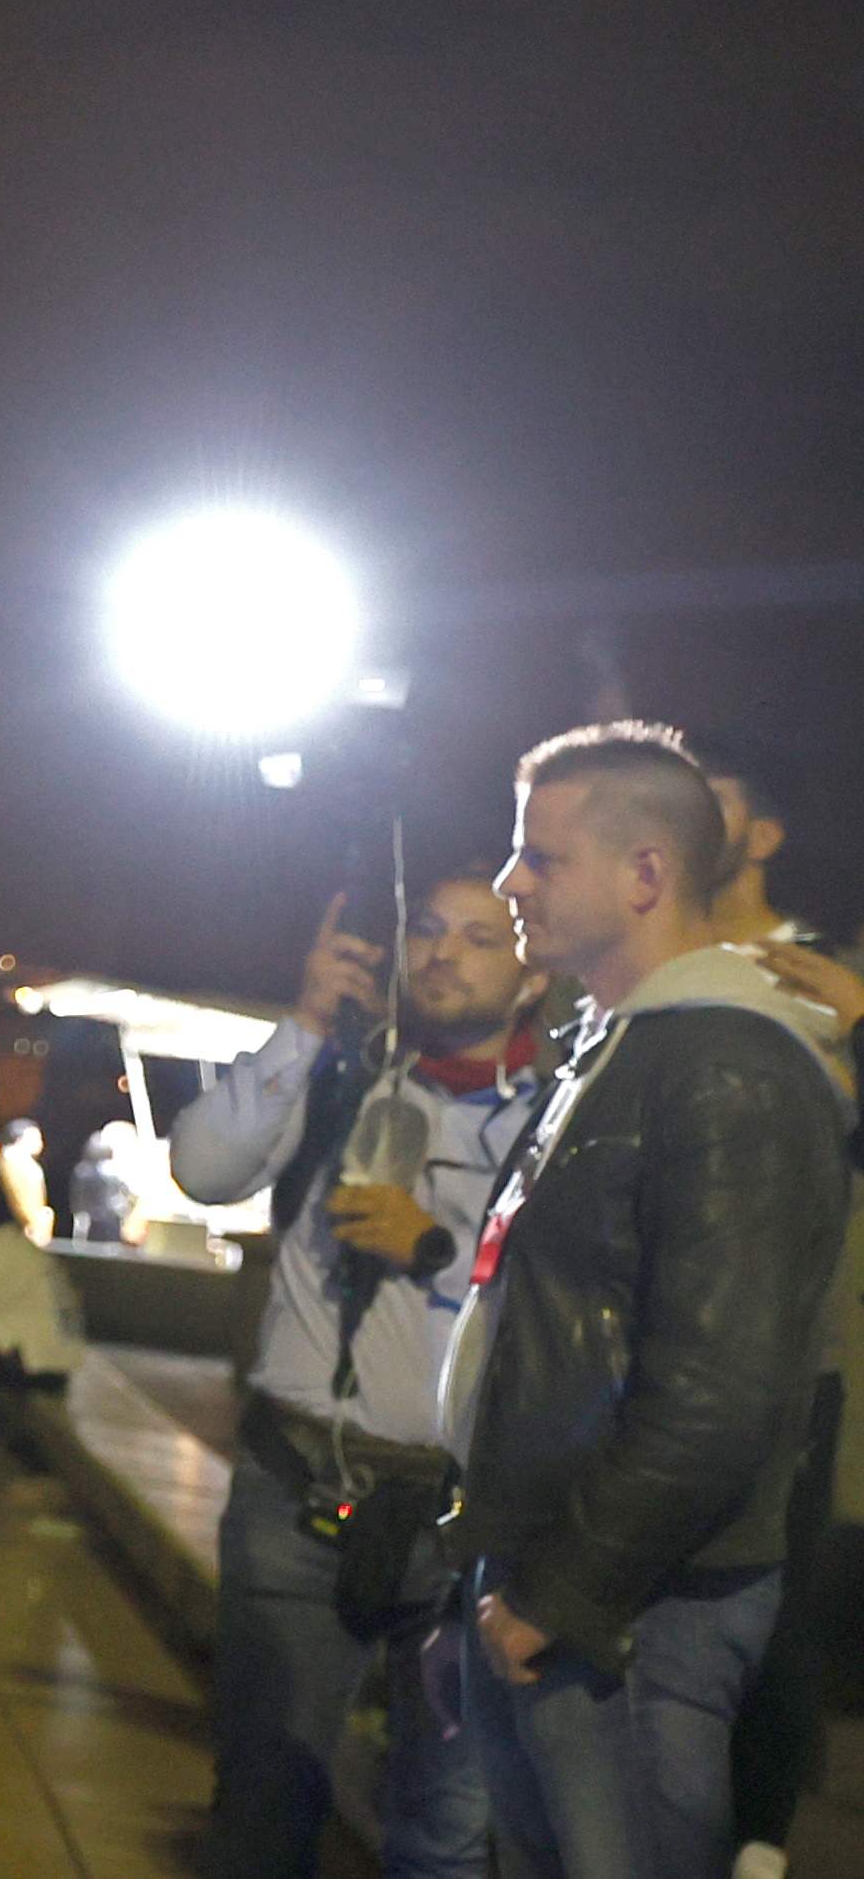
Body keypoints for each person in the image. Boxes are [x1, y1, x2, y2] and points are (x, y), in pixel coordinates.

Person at [446, 722, 852, 1879]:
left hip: (629, 1609)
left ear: (645, 873)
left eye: (541, 856)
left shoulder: (726, 1064)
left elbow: (718, 1392)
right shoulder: (623, 1044)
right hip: (557, 1579)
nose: (511, 880)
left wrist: (565, 1591)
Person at [169, 871, 540, 1879]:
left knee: (448, 1833)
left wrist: (436, 1249)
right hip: (300, 1496)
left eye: (482, 937)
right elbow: (203, 1169)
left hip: (463, 1528)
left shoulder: (552, 1119)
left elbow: (567, 1305)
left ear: (533, 973)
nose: (444, 952)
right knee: (262, 1801)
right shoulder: (342, 1079)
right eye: (429, 929)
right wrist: (304, 1021)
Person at [686, 735, 856, 1879]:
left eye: (718, 802)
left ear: (766, 834)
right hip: (659, 1336)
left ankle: (757, 1840)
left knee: (777, 1609)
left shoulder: (827, 974)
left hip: (803, 1353)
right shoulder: (653, 965)